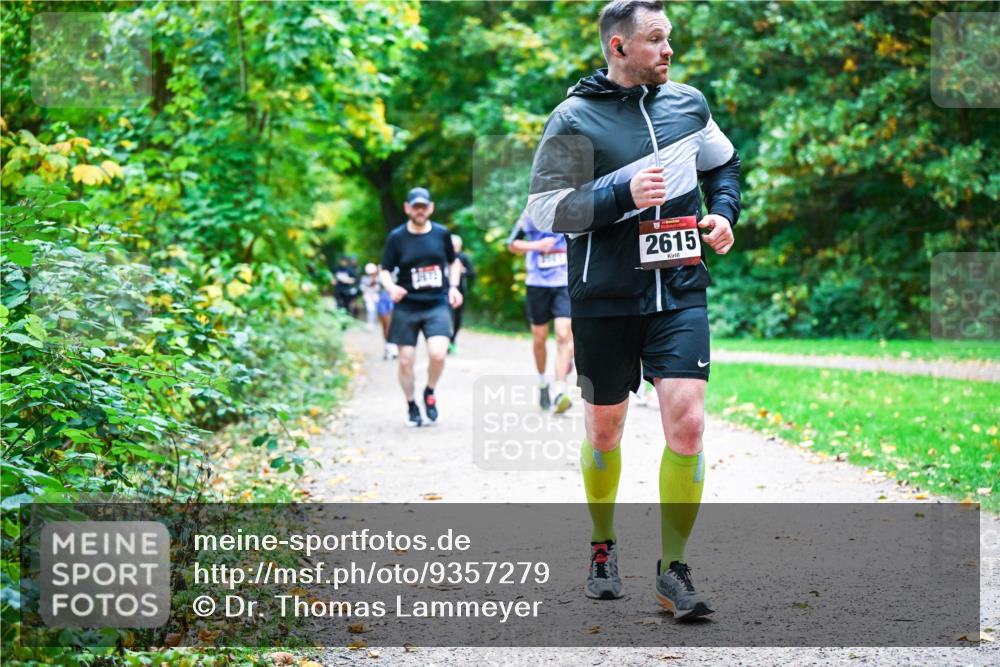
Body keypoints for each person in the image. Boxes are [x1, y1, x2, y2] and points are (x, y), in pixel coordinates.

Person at [526, 0, 741, 618]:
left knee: (689, 423)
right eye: (655, 40)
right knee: (603, 429)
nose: (669, 50)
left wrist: (723, 213)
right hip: (606, 297)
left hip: (678, 289)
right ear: (619, 48)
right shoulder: (574, 118)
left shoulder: (689, 105)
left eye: (670, 38)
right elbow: (547, 210)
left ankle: (673, 569)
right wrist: (621, 190)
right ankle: (602, 544)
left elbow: (723, 164)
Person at [380, 187, 464, 427]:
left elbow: (453, 262)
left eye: (423, 207)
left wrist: (454, 287)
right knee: (405, 360)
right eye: (415, 207)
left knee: (438, 353)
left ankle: (429, 391)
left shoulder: (441, 234)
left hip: (436, 303)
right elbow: (384, 269)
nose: (419, 211)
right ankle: (411, 405)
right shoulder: (397, 237)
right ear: (407, 208)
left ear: (430, 208)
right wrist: (391, 288)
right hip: (407, 305)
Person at [507, 212, 574, 414]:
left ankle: (560, 391)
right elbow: (512, 244)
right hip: (537, 284)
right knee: (540, 338)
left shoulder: (571, 210)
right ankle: (543, 382)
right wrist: (536, 246)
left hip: (563, 282)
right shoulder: (530, 214)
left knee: (563, 335)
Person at [449, 234, 476, 354]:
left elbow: (472, 273)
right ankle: (445, 340)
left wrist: (462, 271)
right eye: (452, 245)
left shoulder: (464, 257)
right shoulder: (444, 256)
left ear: (460, 246)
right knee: (445, 316)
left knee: (457, 318)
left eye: (456, 245)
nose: (454, 247)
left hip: (460, 291)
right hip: (445, 291)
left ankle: (453, 340)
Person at [360, 262, 381, 330]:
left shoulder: (378, 278)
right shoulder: (364, 278)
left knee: (376, 310)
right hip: (368, 296)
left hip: (376, 295)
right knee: (371, 309)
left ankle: (375, 322)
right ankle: (370, 323)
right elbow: (362, 288)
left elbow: (380, 287)